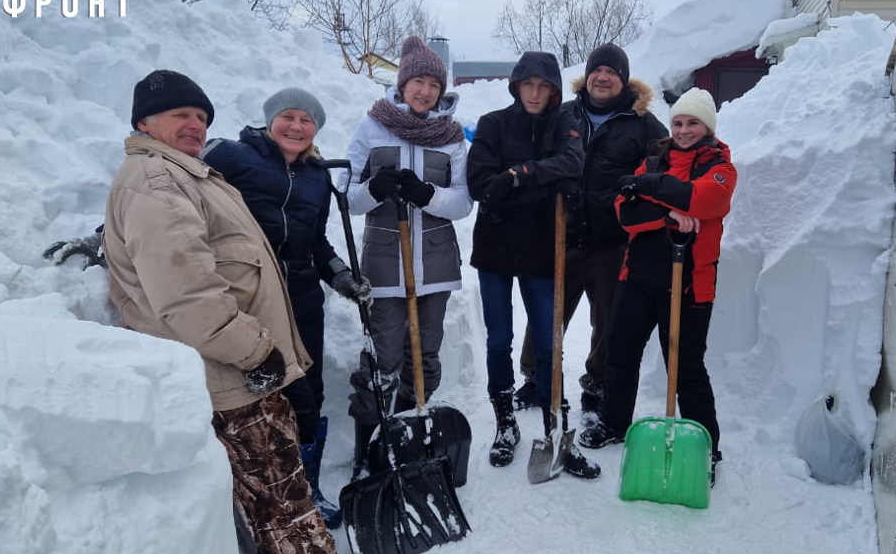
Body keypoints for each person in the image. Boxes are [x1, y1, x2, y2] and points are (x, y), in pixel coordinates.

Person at [102, 69, 357, 554]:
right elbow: (182, 282)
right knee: (272, 478)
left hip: (291, 304)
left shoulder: (303, 177)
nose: (194, 125)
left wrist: (339, 274)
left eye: (200, 116)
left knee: (296, 428)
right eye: (180, 115)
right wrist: (253, 348)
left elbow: (313, 242)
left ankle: (308, 529)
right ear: (144, 123)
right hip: (235, 350)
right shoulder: (204, 167)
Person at [200, 87, 370, 527]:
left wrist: (340, 275)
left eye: (307, 120)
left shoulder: (316, 176)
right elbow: (172, 198)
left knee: (309, 394)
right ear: (271, 120)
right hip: (247, 296)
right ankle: (268, 498)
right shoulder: (231, 156)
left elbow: (316, 243)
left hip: (301, 298)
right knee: (262, 393)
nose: (296, 126)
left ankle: (307, 491)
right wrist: (108, 235)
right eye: (288, 117)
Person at [577, 88, 736, 485]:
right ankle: (614, 423)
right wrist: (670, 210)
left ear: (708, 127)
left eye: (692, 123)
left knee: (686, 370)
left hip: (688, 286)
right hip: (638, 279)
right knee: (620, 354)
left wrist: (646, 187)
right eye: (678, 122)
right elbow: (625, 214)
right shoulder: (656, 159)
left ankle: (706, 448)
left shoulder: (721, 167)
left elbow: (703, 200)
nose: (683, 130)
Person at [516, 43, 668, 423]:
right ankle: (536, 378)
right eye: (597, 71)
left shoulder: (644, 124)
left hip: (612, 240)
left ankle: (598, 383)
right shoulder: (562, 114)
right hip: (561, 234)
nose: (603, 78)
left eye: (612, 73)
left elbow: (667, 167)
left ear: (623, 80)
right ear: (588, 76)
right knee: (546, 313)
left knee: (609, 320)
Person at [466, 51, 599, 478]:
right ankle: (505, 422)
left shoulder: (565, 122)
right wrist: (543, 181)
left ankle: (554, 424)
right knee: (498, 340)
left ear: (555, 90)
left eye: (544, 86)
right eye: (529, 84)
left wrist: (519, 175)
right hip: (496, 247)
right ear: (517, 86)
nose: (536, 93)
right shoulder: (492, 124)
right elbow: (480, 185)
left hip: (544, 246)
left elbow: (573, 164)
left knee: (548, 341)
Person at [345, 36, 473, 477]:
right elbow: (348, 198)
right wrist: (374, 189)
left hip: (435, 266)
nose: (425, 91)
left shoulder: (452, 137)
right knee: (383, 359)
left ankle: (403, 440)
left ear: (441, 89)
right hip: (384, 263)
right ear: (402, 84)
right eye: (417, 81)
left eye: (433, 84)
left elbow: (462, 203)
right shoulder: (372, 128)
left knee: (425, 357)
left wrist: (427, 195)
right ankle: (368, 451)